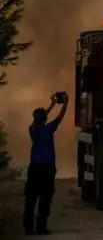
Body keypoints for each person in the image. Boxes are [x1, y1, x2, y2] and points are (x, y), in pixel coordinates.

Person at [24, 93, 68, 235]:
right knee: (45, 198)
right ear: (45, 118)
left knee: (31, 198)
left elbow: (39, 120)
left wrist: (51, 105)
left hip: (34, 167)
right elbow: (60, 116)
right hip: (47, 168)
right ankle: (41, 226)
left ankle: (28, 227)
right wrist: (65, 103)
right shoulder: (48, 129)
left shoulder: (32, 129)